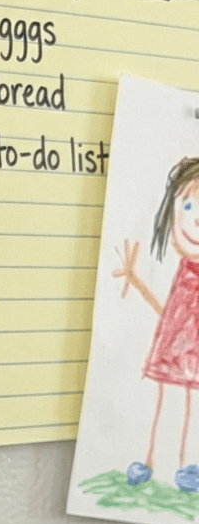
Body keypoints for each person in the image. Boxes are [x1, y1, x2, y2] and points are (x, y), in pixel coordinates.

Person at [115, 156, 199, 491]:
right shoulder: (183, 271)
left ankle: (187, 465)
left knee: (193, 406)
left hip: (194, 353)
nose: (195, 220)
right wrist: (136, 280)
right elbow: (169, 312)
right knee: (167, 402)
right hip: (172, 347)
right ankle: (149, 461)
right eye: (189, 205)